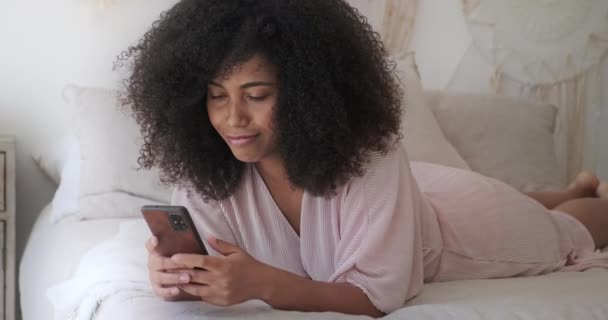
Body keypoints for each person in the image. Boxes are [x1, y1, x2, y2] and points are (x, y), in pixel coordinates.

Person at [119, 0, 608, 317]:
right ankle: (572, 186)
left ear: (308, 94)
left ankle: (585, 196)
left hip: (462, 227)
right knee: (528, 199)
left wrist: (263, 284)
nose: (234, 119)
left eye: (258, 94)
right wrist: (178, 278)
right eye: (216, 96)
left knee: (563, 229)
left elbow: (374, 298)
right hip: (410, 195)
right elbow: (213, 264)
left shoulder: (369, 157)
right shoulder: (207, 168)